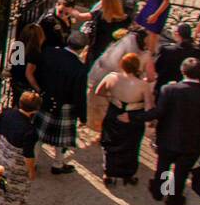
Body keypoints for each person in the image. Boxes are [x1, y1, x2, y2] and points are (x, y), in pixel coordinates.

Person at [142, 58, 200, 205]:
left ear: (182, 71)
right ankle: (173, 201)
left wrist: (135, 118)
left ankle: (160, 192)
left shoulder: (169, 90)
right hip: (193, 143)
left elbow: (159, 112)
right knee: (181, 173)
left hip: (168, 138)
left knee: (163, 167)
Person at [93, 52, 153, 186]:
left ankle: (108, 173)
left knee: (110, 144)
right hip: (133, 116)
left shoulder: (111, 77)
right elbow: (149, 107)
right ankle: (128, 174)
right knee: (131, 146)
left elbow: (99, 91)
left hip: (114, 112)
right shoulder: (142, 85)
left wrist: (111, 97)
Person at [35, 29, 88, 175]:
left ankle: (32, 163)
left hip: (45, 99)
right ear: (82, 49)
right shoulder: (80, 68)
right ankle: (58, 164)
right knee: (61, 139)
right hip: (65, 105)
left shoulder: (49, 53)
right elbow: (79, 95)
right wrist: (82, 116)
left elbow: (38, 73)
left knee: (38, 136)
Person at [0, 91, 40, 205]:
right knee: (16, 189)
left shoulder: (6, 113)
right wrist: (31, 171)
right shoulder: (30, 130)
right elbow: (28, 154)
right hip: (16, 162)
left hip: (2, 153)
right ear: (35, 110)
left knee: (1, 183)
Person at [86, 0, 129, 69]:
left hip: (97, 49)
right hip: (114, 51)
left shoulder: (100, 16)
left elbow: (80, 16)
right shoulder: (126, 19)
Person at [153, 23, 197, 97]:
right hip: (189, 89)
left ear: (177, 34)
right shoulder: (197, 52)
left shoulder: (167, 50)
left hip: (166, 86)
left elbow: (157, 67)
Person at [9, 24, 44, 108]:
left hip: (15, 80)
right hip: (25, 84)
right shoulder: (34, 52)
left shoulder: (17, 45)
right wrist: (39, 90)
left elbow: (11, 60)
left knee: (17, 103)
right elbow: (28, 74)